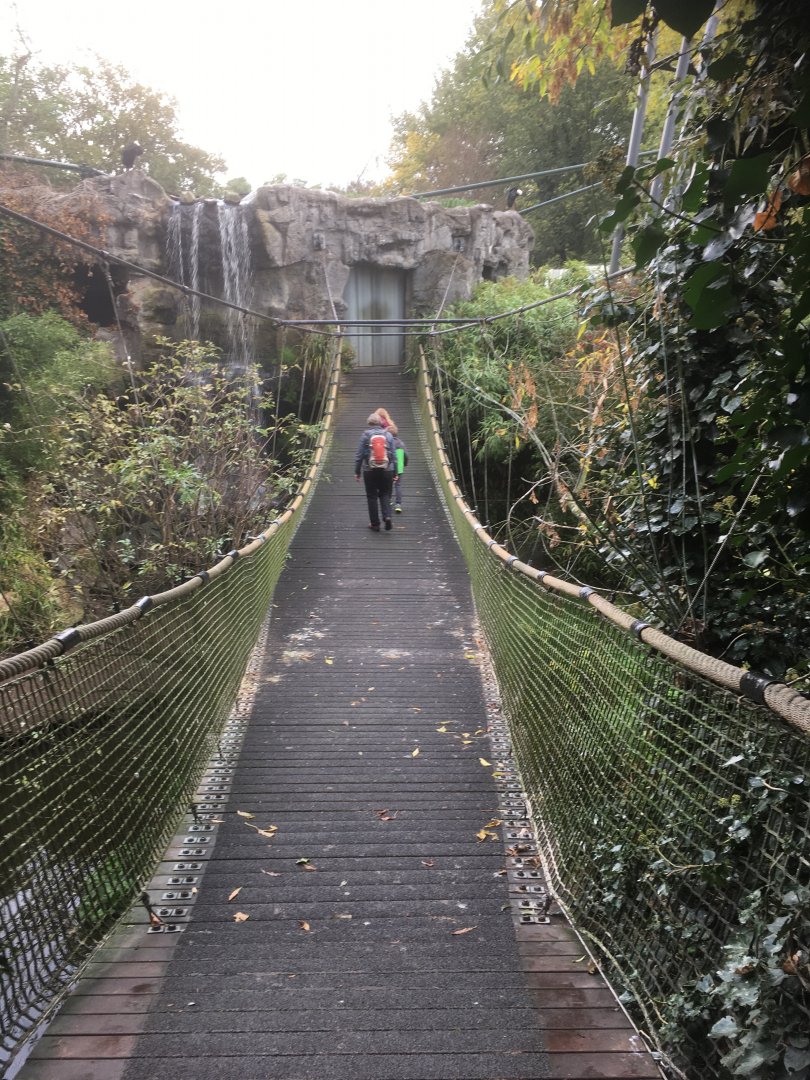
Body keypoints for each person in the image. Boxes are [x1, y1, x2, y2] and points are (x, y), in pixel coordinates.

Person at [355, 412, 398, 531]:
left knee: (372, 496)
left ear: (369, 423)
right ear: (380, 423)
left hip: (369, 470)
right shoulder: (388, 435)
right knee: (385, 494)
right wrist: (395, 472)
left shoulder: (365, 435)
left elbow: (359, 456)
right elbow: (394, 456)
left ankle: (375, 524)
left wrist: (357, 472)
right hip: (387, 469)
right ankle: (387, 516)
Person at [387, 422, 408, 513]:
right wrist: (405, 463)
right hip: (399, 466)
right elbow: (406, 455)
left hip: (390, 466)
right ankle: (398, 504)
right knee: (398, 485)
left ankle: (388, 500)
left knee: (388, 484)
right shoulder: (401, 443)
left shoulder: (387, 443)